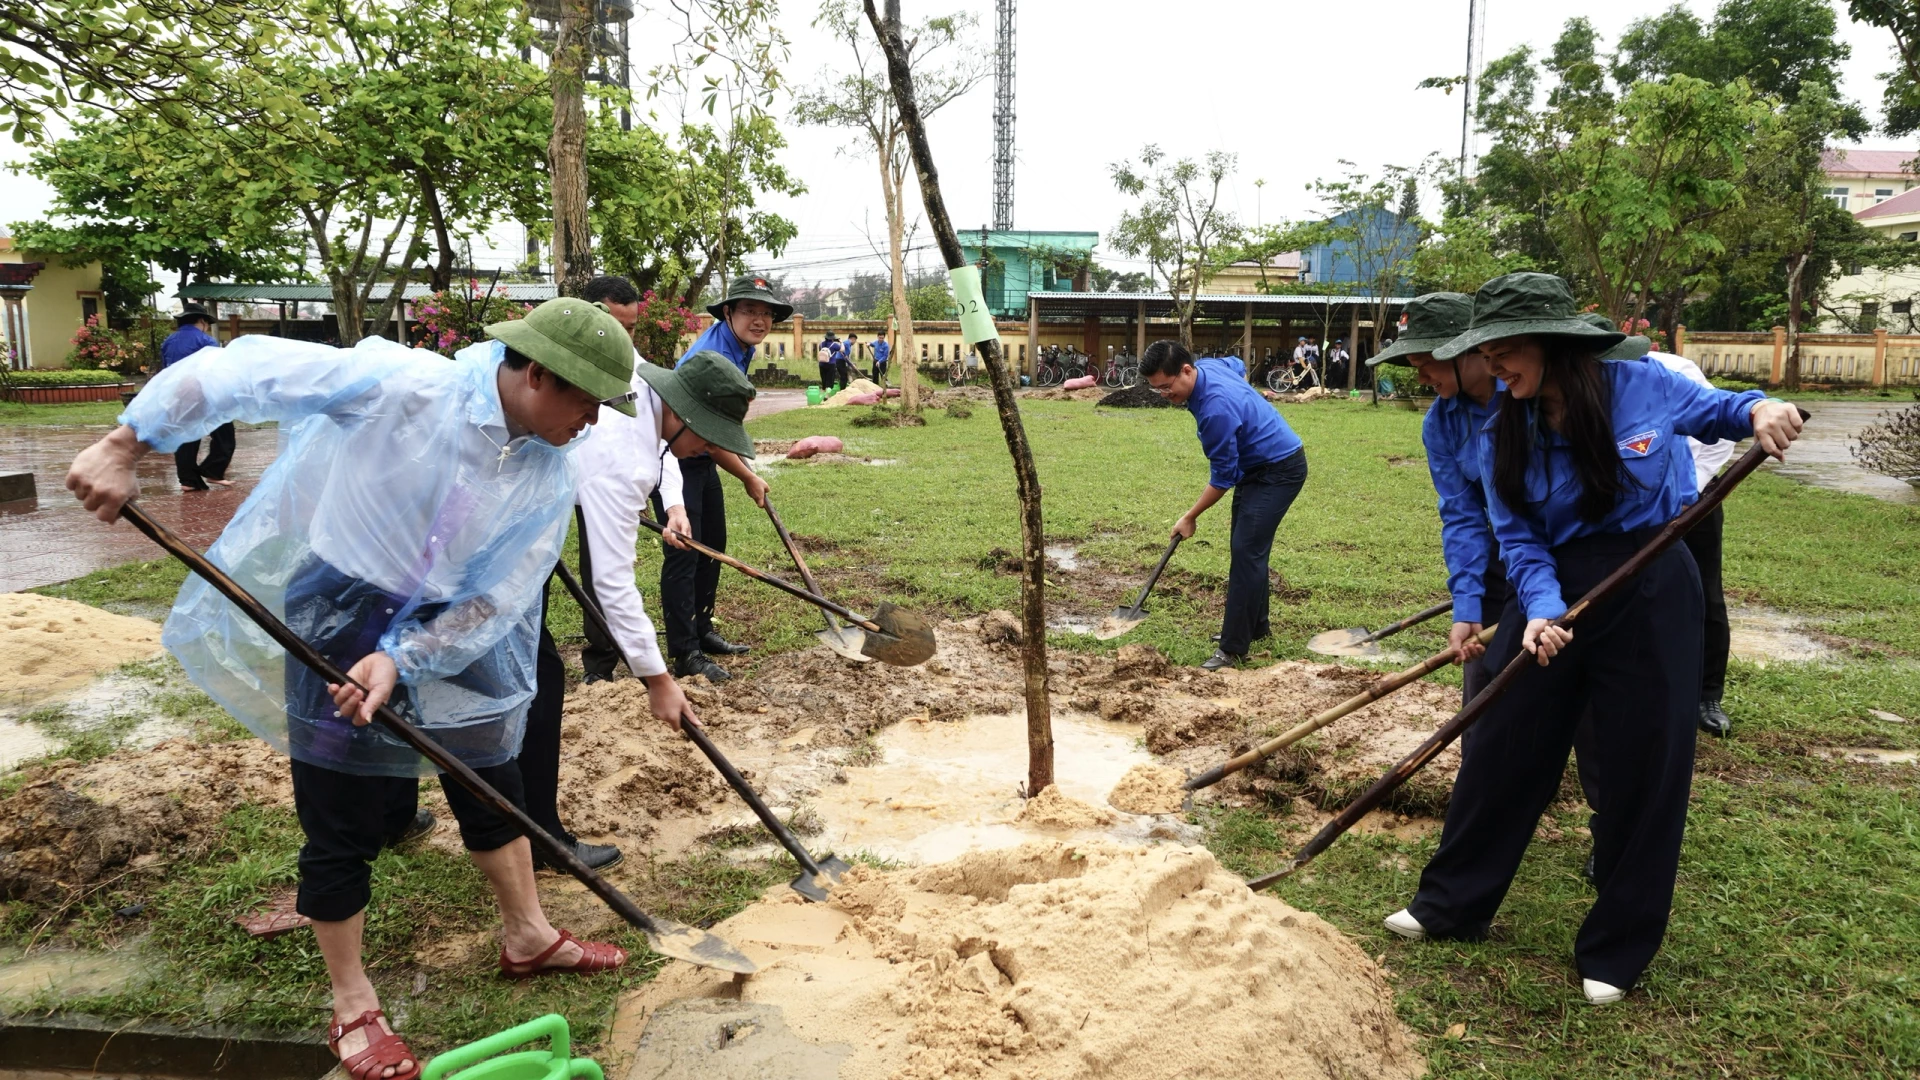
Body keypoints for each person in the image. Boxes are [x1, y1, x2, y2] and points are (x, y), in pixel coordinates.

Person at [65, 297, 649, 1080]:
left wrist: (405, 658)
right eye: (587, 402)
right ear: (539, 375)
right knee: (338, 805)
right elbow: (241, 370)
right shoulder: (404, 386)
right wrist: (126, 442)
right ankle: (352, 1004)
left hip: (444, 622)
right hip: (340, 611)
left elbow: (502, 594)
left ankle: (528, 935)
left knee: (488, 773)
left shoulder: (547, 469)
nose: (592, 422)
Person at [1382, 272, 1804, 1007]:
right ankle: (1452, 902)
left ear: (1552, 345)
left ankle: (1618, 943)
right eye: (1488, 352)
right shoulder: (1498, 430)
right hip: (1552, 586)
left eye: (1506, 350)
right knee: (1503, 737)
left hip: (1650, 577)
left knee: (1645, 758)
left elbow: (1720, 411)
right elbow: (1517, 537)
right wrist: (1542, 613)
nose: (1494, 365)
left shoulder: (1640, 384)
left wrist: (1760, 407)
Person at [1578, 315, 1738, 737]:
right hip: (1631, 506)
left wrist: (1688, 495)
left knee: (1704, 593)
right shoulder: (1577, 384)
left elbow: (1720, 433)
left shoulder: (1671, 371)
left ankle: (1707, 695)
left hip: (1693, 499)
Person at [1364, 293, 1508, 704]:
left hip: (1569, 551)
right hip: (1501, 552)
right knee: (1484, 692)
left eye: (1427, 362)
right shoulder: (1441, 423)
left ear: (1471, 350)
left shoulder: (1529, 395)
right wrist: (1467, 603)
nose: (1422, 378)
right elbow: (1462, 515)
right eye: (1415, 367)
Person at [1141, 340, 1308, 672]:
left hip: (1280, 471)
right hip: (1255, 468)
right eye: (1156, 389)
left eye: (1167, 387)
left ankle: (1232, 649)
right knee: (1247, 549)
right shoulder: (1210, 367)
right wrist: (1245, 405)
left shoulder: (1215, 410)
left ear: (1186, 370)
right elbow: (1237, 364)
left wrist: (1190, 517)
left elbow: (1222, 478)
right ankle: (1256, 627)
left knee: (1247, 551)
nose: (1164, 394)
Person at [661, 275, 781, 682]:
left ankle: (702, 629)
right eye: (749, 311)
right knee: (685, 551)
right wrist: (748, 476)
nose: (759, 320)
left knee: (713, 543)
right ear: (728, 312)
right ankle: (685, 653)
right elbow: (706, 435)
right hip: (680, 454)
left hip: (702, 454)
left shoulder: (740, 345)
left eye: (766, 313)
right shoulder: (714, 354)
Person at [159, 306, 236, 493]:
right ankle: (213, 470)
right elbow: (214, 369)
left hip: (179, 394)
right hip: (203, 393)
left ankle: (188, 480)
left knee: (186, 435)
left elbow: (166, 368)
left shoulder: (168, 341)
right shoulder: (205, 341)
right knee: (224, 432)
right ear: (202, 321)